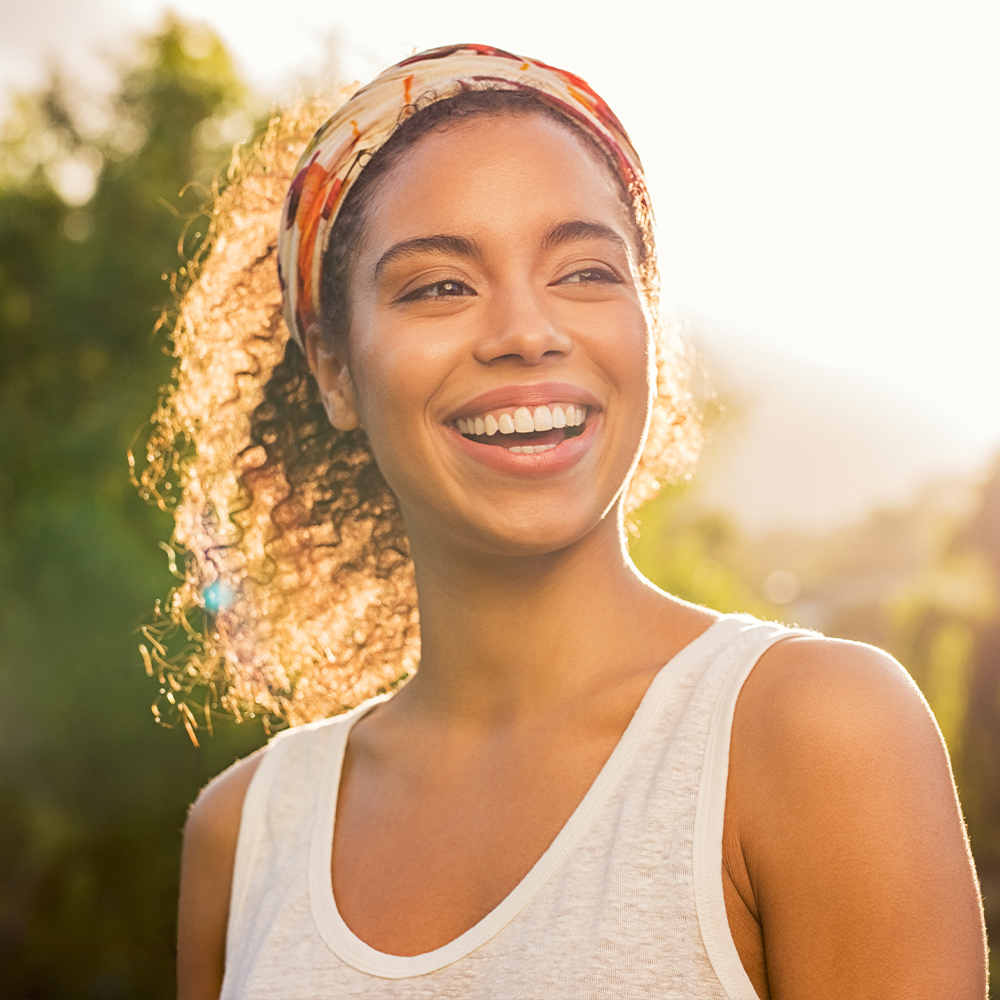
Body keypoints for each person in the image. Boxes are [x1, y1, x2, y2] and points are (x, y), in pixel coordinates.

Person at [165, 44, 986, 998]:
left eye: (585, 272)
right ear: (335, 368)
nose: (527, 331)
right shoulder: (244, 836)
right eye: (440, 286)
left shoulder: (815, 734)